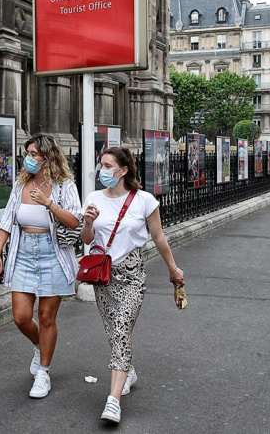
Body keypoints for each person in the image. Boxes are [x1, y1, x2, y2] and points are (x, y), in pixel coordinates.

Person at [81, 147, 184, 424]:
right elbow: (87, 239)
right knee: (114, 331)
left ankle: (113, 400)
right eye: (101, 165)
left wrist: (173, 269)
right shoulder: (93, 198)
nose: (102, 170)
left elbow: (159, 238)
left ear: (123, 170)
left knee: (122, 328)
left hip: (132, 275)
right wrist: (88, 222)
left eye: (107, 165)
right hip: (102, 277)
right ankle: (128, 371)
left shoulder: (144, 201)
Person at [0, 134, 81, 400]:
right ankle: (39, 346)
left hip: (53, 253)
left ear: (47, 157)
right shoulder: (21, 185)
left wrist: (48, 203)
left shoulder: (65, 186)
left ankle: (43, 371)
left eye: (33, 154)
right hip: (23, 254)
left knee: (46, 318)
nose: (28, 158)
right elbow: (7, 220)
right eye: (27, 153)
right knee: (20, 316)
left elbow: (75, 221)